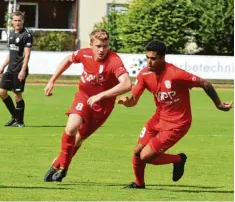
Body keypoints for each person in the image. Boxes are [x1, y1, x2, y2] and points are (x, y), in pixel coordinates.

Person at [118, 40, 233, 189]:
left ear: (162, 58)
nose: (149, 62)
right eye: (147, 57)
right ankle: (139, 184)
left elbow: (205, 83)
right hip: (158, 118)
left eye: (153, 58)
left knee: (145, 156)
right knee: (137, 151)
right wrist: (127, 101)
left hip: (178, 123)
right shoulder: (144, 74)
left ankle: (178, 159)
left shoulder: (175, 73)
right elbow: (133, 100)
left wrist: (219, 104)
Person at [43, 29, 132, 182]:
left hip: (103, 106)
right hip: (83, 96)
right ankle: (63, 166)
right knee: (71, 128)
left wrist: (101, 95)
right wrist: (52, 80)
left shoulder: (114, 60)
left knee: (78, 140)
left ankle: (58, 166)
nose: (102, 50)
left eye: (105, 46)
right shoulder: (84, 54)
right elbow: (68, 59)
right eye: (98, 46)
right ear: (91, 45)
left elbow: (127, 84)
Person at [0, 11, 33, 127]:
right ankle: (15, 116)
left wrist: (23, 70)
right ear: (12, 21)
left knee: (17, 94)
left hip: (19, 69)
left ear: (23, 21)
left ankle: (20, 122)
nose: (17, 23)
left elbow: (27, 54)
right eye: (15, 20)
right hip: (10, 68)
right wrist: (3, 66)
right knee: (1, 92)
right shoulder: (11, 34)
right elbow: (11, 53)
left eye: (19, 20)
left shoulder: (27, 35)